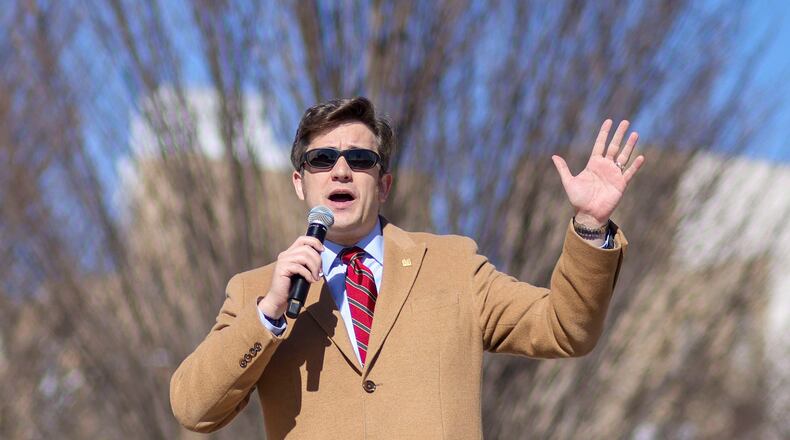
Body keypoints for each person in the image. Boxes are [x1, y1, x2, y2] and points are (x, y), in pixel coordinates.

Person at [170, 97, 645, 439]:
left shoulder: (453, 266)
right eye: (322, 160)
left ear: (384, 183)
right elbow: (194, 409)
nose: (340, 171)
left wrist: (589, 225)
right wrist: (270, 312)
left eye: (359, 159)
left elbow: (566, 329)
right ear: (300, 183)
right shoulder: (257, 290)